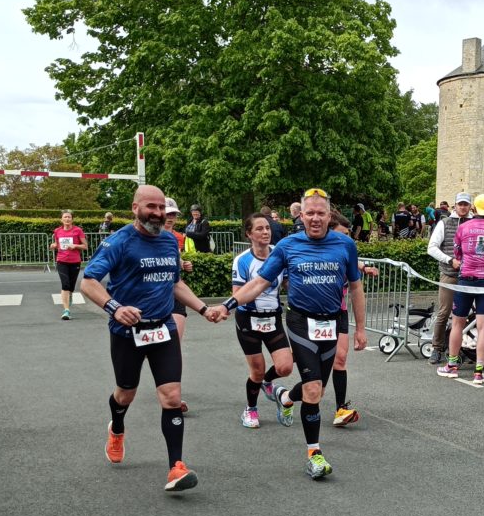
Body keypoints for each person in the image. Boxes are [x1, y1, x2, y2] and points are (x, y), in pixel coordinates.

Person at [81, 185, 223, 493]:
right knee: (125, 394)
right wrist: (115, 308)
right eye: (151, 207)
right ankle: (117, 428)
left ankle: (176, 467)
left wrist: (203, 309)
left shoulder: (169, 242)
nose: (158, 213)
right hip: (127, 332)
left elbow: (175, 283)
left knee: (171, 397)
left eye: (162, 208)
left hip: (163, 329)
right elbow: (89, 282)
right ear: (135, 208)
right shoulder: (118, 242)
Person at [218, 188, 366, 480]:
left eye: (320, 213)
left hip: (331, 323)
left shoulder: (345, 245)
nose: (315, 218)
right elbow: (259, 283)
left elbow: (356, 287)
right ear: (301, 216)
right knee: (312, 389)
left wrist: (360, 328)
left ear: (329, 216)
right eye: (309, 213)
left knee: (317, 390)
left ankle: (285, 398)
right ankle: (314, 454)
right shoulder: (288, 245)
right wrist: (228, 304)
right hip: (300, 322)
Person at [231, 212, 294, 429]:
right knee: (256, 371)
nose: (266, 232)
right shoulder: (242, 260)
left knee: (285, 367)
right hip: (248, 320)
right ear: (249, 234)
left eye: (267, 228)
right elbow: (237, 294)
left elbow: (288, 284)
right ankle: (250, 409)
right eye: (259, 229)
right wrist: (259, 286)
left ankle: (268, 382)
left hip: (273, 317)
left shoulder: (279, 254)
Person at [437, 193, 484, 384]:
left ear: (474, 208)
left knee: (458, 323)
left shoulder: (463, 227)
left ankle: (452, 366)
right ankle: (478, 372)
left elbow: (457, 253)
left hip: (466, 279)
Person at [325, 213, 378, 426]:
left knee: (340, 359)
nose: (346, 239)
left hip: (339, 312)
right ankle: (285, 395)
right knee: (306, 367)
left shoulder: (345, 250)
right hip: (313, 315)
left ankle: (340, 409)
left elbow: (353, 263)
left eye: (347, 235)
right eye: (341, 234)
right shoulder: (316, 251)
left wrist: (364, 268)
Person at [426, 192, 474, 365]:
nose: (463, 207)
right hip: (449, 274)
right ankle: (437, 348)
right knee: (444, 313)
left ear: (470, 206)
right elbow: (431, 248)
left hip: (470, 276)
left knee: (468, 315)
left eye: (466, 204)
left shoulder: (475, 222)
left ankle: (464, 348)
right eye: (460, 204)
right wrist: (449, 260)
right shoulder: (445, 223)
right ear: (455, 205)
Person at [163, 199, 194, 413]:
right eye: (167, 214)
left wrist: (183, 265)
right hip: (153, 298)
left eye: (173, 214)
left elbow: (175, 263)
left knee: (174, 346)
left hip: (175, 295)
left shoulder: (175, 238)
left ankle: (175, 395)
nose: (170, 218)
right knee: (153, 349)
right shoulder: (144, 238)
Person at [50, 210, 88, 321]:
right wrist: (53, 245)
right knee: (65, 285)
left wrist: (75, 245)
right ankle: (66, 310)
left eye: (69, 217)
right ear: (61, 219)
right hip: (61, 261)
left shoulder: (78, 230)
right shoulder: (57, 231)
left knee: (71, 287)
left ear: (72, 219)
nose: (67, 219)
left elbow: (85, 246)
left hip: (75, 261)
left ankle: (70, 294)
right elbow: (57, 244)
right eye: (65, 217)